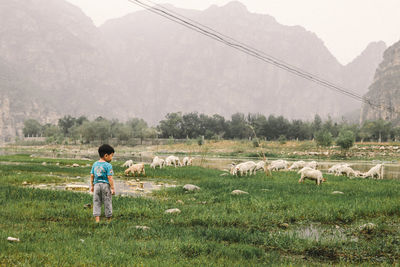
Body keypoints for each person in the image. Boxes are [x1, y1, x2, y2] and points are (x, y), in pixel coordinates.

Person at [90, 144, 115, 223]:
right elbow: (109, 177)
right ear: (106, 155)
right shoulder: (108, 165)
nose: (112, 158)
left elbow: (92, 175)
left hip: (96, 185)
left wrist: (92, 186)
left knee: (96, 201)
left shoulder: (95, 164)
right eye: (111, 156)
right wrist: (112, 188)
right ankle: (109, 219)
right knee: (107, 201)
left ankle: (97, 220)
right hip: (105, 186)